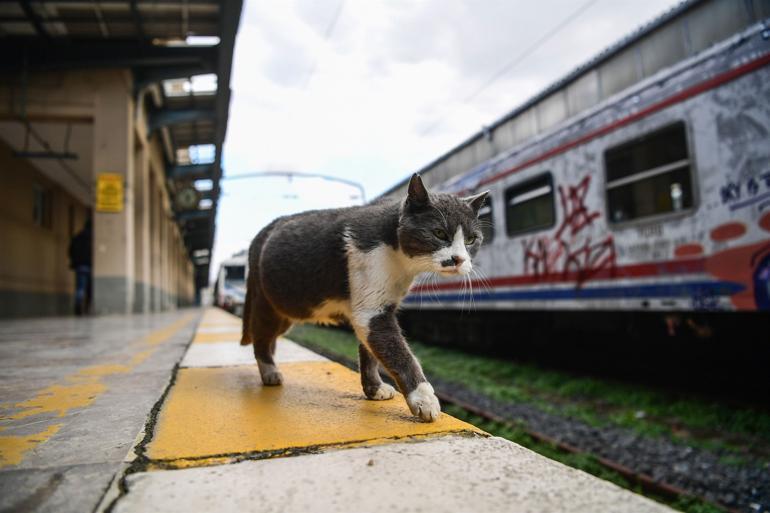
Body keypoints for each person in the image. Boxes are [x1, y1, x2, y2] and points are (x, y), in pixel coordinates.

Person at [69, 217, 92, 315]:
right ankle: (87, 308)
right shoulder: (93, 238)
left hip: (79, 266)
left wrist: (75, 261)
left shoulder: (77, 236)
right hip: (90, 265)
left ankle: (78, 305)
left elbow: (70, 251)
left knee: (80, 287)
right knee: (89, 289)